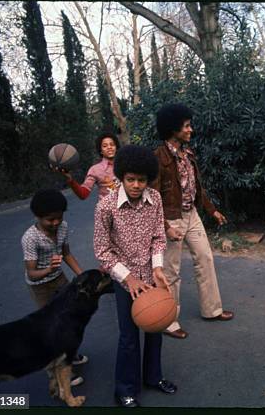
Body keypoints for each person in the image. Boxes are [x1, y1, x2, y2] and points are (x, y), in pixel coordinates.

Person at [93, 144, 176, 408]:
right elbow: (102, 250)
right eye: (131, 179)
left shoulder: (155, 200)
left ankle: (153, 377)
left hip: (150, 276)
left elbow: (158, 238)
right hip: (125, 280)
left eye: (142, 179)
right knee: (129, 337)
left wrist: (158, 268)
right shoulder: (106, 206)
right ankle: (125, 389)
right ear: (121, 176)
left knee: (156, 327)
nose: (137, 185)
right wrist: (128, 279)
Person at [151, 103, 234, 340]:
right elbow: (153, 196)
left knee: (205, 258)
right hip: (171, 217)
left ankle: (212, 310)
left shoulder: (188, 154)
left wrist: (212, 211)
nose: (191, 130)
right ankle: (168, 320)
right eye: (186, 126)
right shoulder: (158, 157)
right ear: (172, 128)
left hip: (192, 215)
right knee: (170, 270)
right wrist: (165, 226)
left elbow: (197, 188)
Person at [21, 188, 88, 386]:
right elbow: (32, 272)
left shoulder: (63, 227)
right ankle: (56, 373)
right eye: (50, 220)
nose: (56, 223)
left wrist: (81, 274)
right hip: (40, 285)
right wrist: (49, 269)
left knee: (71, 320)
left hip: (60, 279)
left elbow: (66, 253)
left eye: (59, 218)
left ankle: (69, 354)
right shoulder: (30, 238)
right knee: (51, 329)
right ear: (38, 217)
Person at [52, 132, 121, 201]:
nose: (109, 147)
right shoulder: (95, 169)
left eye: (112, 144)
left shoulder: (124, 165)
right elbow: (83, 194)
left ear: (116, 148)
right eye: (105, 146)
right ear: (101, 151)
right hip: (106, 210)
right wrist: (70, 180)